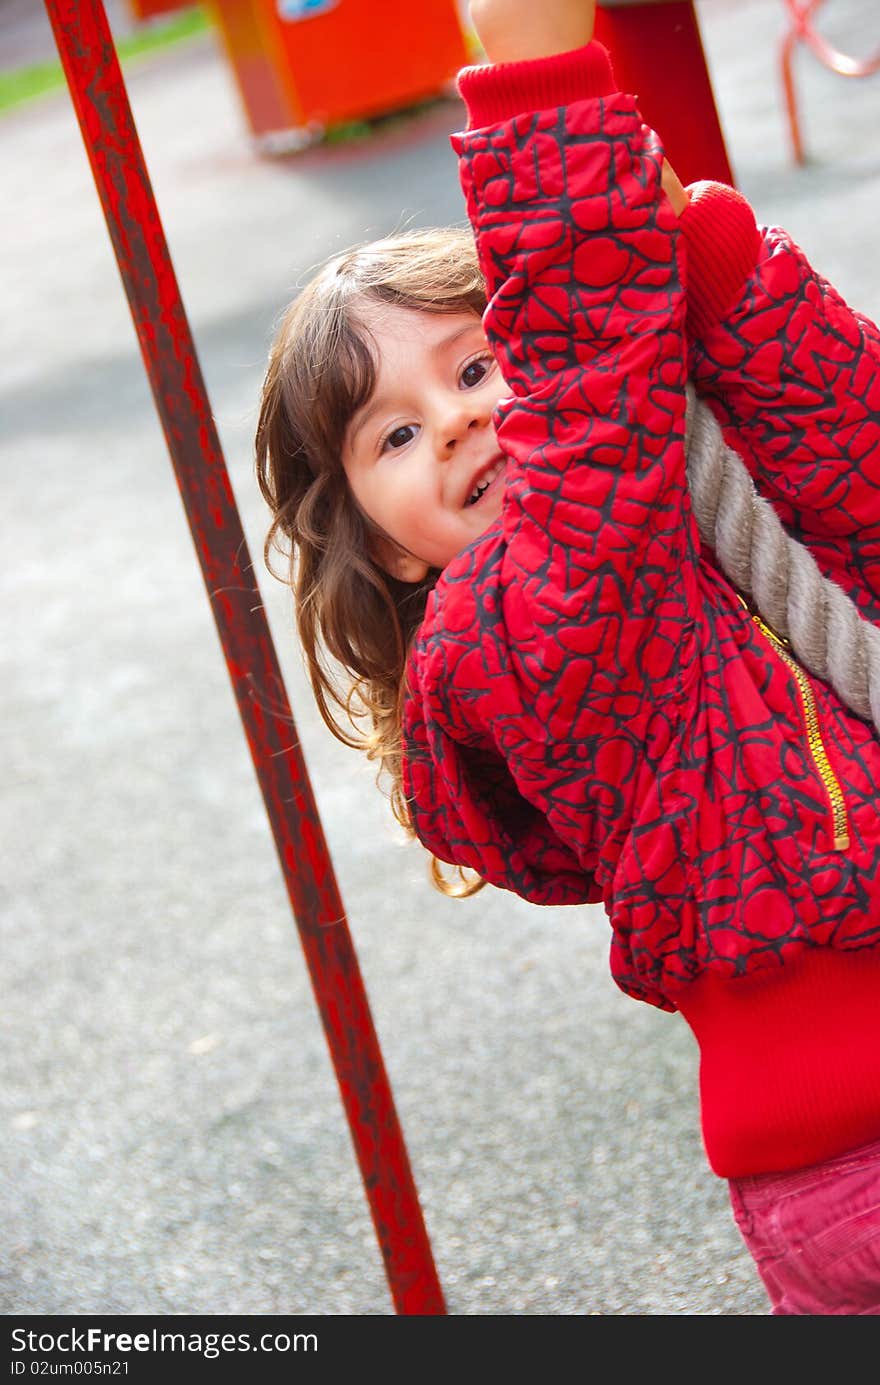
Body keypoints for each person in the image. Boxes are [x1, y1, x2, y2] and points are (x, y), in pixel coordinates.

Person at [255, 0, 880, 1314]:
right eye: (395, 436)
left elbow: (854, 463)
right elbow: (593, 396)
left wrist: (705, 249)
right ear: (391, 548)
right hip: (849, 1164)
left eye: (479, 364)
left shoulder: (679, 547)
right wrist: (540, 97)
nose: (461, 420)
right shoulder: (511, 633)